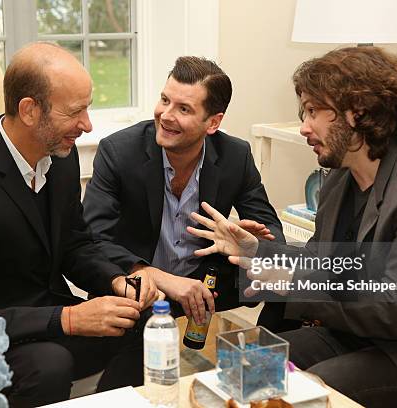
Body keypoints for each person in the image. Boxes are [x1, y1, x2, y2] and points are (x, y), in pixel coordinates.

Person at [187, 47, 397, 408]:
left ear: (357, 112)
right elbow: (322, 263)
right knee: (244, 364)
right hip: (359, 335)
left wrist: (295, 282)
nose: (304, 127)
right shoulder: (339, 182)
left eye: (314, 111)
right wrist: (256, 253)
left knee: (316, 390)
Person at [0, 42, 159, 406]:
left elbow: (75, 246)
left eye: (88, 108)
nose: (87, 124)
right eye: (75, 111)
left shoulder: (60, 159)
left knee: (142, 321)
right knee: (50, 364)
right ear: (30, 110)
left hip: (45, 319)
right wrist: (67, 319)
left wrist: (116, 280)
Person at [82, 56, 285, 325]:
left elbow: (273, 232)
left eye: (184, 109)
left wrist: (256, 244)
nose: (166, 116)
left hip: (205, 281)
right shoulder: (119, 152)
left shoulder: (235, 156)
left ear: (213, 123)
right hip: (140, 283)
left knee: (280, 283)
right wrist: (154, 276)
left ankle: (261, 359)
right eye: (165, 100)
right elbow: (93, 238)